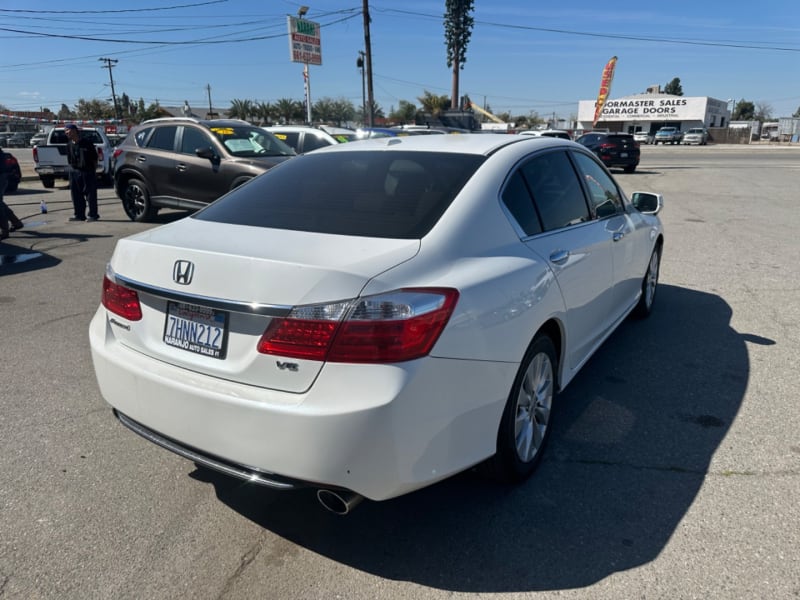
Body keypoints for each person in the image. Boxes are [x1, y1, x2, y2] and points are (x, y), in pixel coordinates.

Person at [64, 123, 99, 222]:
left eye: (68, 130)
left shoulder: (87, 143)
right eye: (65, 131)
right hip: (74, 172)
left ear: (75, 131)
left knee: (90, 195)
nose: (67, 133)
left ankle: (93, 215)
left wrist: (92, 171)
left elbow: (94, 158)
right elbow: (69, 160)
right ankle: (79, 215)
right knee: (76, 195)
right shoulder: (69, 145)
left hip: (87, 171)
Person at [0, 144, 24, 240]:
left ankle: (4, 230)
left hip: (0, 176)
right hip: (2, 175)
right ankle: (16, 222)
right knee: (0, 204)